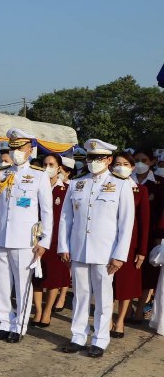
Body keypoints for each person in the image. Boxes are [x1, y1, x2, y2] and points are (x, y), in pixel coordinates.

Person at [59, 139, 135, 358]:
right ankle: (78, 336)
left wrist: (119, 255)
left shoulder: (121, 184)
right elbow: (66, 218)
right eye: (90, 158)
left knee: (103, 297)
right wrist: (63, 246)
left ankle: (100, 339)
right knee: (80, 295)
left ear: (109, 160)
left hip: (105, 251)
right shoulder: (77, 183)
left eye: (98, 158)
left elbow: (126, 223)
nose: (93, 162)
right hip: (79, 249)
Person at [0, 129, 53, 343]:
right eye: (13, 148)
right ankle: (4, 323)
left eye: (20, 148)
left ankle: (19, 326)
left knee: (23, 284)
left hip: (25, 240)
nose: (16, 152)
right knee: (1, 284)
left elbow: (47, 211)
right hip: (1, 237)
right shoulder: (2, 173)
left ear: (29, 150)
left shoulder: (39, 175)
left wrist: (44, 241)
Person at [111, 152, 149, 337]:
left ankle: (120, 321)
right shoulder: (106, 187)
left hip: (130, 246)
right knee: (108, 286)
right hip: (107, 243)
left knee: (125, 287)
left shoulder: (139, 190)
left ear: (132, 167)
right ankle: (107, 321)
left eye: (125, 164)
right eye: (117, 163)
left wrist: (142, 251)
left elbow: (144, 222)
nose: (121, 167)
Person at [32, 153, 72, 326]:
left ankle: (47, 311)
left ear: (59, 168)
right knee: (36, 278)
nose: (47, 167)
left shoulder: (66, 189)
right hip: (36, 237)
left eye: (51, 164)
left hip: (56, 239)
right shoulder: (35, 184)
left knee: (53, 278)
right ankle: (38, 311)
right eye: (44, 164)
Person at [130, 149, 160, 324]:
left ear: (152, 162)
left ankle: (140, 309)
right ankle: (126, 309)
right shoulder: (125, 181)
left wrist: (159, 236)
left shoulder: (159, 183)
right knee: (128, 272)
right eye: (136, 160)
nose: (140, 164)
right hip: (128, 234)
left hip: (151, 235)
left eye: (144, 160)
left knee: (148, 275)